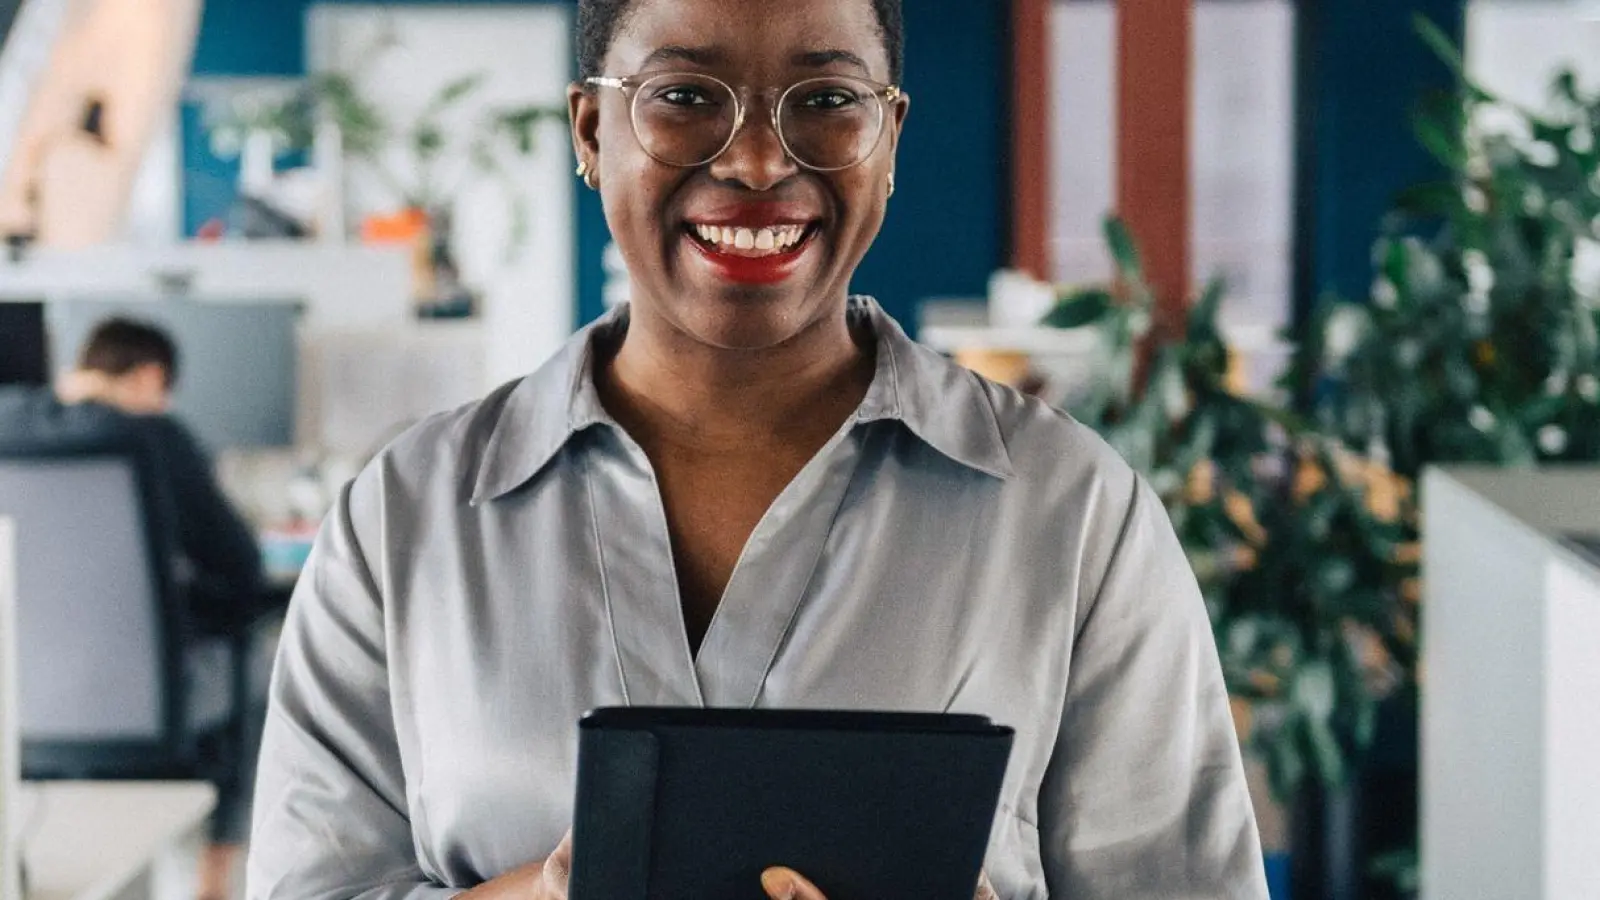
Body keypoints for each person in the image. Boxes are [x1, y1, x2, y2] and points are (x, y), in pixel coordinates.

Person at [247, 0, 1269, 896]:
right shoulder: (406, 516)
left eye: (826, 101)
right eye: (686, 94)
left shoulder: (1072, 513)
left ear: (889, 139)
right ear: (591, 128)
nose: (755, 160)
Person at [0, 317, 264, 900]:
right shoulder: (153, 436)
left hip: (23, 714)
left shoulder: (7, 425)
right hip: (148, 708)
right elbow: (241, 570)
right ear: (148, 377)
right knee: (266, 658)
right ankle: (217, 878)